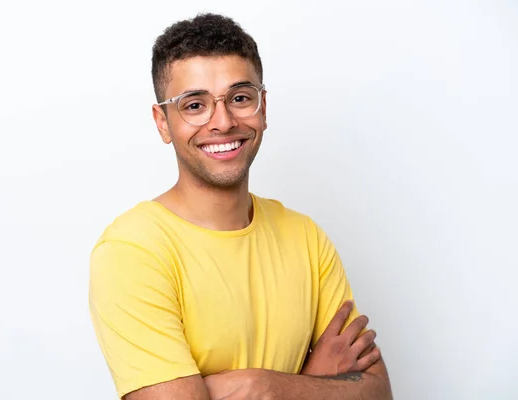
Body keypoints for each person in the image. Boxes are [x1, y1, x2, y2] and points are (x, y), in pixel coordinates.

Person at [89, 13, 392, 400]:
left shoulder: (305, 238)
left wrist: (261, 387)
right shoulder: (132, 251)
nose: (223, 121)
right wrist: (312, 382)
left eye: (239, 98)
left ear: (262, 107)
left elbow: (378, 391)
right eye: (194, 104)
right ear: (162, 122)